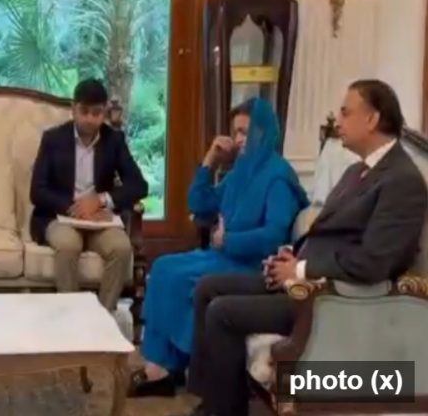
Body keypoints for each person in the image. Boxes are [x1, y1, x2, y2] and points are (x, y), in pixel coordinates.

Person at [181, 79, 428, 416]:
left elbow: (373, 262)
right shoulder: (357, 170)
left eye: (346, 112)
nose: (338, 120)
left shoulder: (402, 181)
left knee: (222, 312)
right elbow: (330, 234)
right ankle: (212, 401)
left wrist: (300, 270)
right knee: (208, 287)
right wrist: (293, 258)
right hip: (308, 278)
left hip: (335, 299)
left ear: (372, 119)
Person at [129, 98, 308, 397]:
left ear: (264, 132)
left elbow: (274, 236)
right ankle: (161, 365)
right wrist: (209, 161)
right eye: (235, 132)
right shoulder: (241, 170)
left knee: (176, 277)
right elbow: (200, 203)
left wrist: (229, 240)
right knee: (162, 267)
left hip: (251, 264)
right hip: (223, 256)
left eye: (245, 132)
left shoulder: (278, 176)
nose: (239, 140)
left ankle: (173, 367)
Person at [29, 78, 148, 312]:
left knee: (121, 248)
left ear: (104, 112)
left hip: (99, 219)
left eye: (96, 113)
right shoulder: (53, 139)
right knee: (68, 246)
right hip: (60, 216)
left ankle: (103, 317)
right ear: (73, 109)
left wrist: (101, 201)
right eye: (84, 112)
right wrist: (74, 208)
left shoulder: (114, 140)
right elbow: (37, 191)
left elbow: (139, 185)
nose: (90, 119)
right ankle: (72, 318)